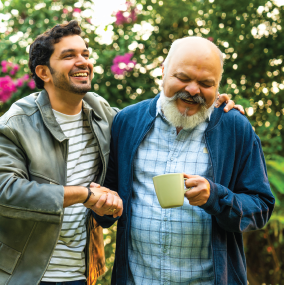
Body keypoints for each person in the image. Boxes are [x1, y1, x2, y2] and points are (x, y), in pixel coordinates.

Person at [94, 36, 275, 285]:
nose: (193, 90)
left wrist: (215, 197)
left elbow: (261, 206)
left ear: (218, 86)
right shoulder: (127, 122)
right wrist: (104, 209)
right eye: (183, 78)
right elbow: (110, 200)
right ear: (163, 71)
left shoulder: (234, 128)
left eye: (205, 83)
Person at [0, 21, 123, 285]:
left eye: (85, 54)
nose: (83, 62)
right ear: (44, 72)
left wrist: (213, 107)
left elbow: (147, 123)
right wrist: (83, 195)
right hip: (25, 275)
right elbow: (4, 190)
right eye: (69, 56)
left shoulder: (100, 111)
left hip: (82, 273)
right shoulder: (16, 124)